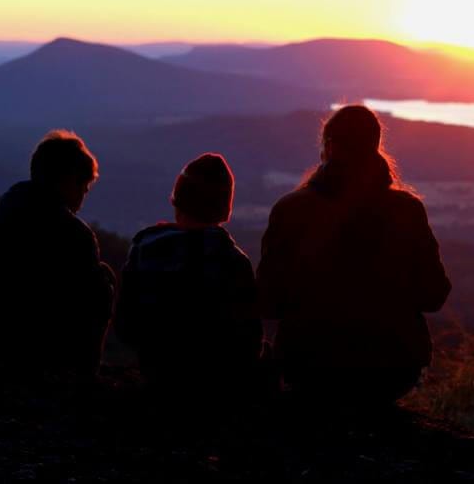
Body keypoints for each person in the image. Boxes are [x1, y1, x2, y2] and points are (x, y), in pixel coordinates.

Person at [257, 105, 451, 403]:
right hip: (392, 370)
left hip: (309, 367)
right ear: (375, 146)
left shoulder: (290, 209)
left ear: (330, 146)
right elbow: (434, 295)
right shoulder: (408, 210)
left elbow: (269, 302)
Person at [0, 130, 113, 377]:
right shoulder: (73, 234)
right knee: (103, 280)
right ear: (69, 181)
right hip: (42, 351)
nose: (81, 200)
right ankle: (84, 374)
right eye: (83, 189)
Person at [112, 153, 262, 394]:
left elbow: (125, 326)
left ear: (177, 200)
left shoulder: (143, 248)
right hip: (216, 389)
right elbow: (250, 342)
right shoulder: (234, 262)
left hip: (156, 379)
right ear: (225, 208)